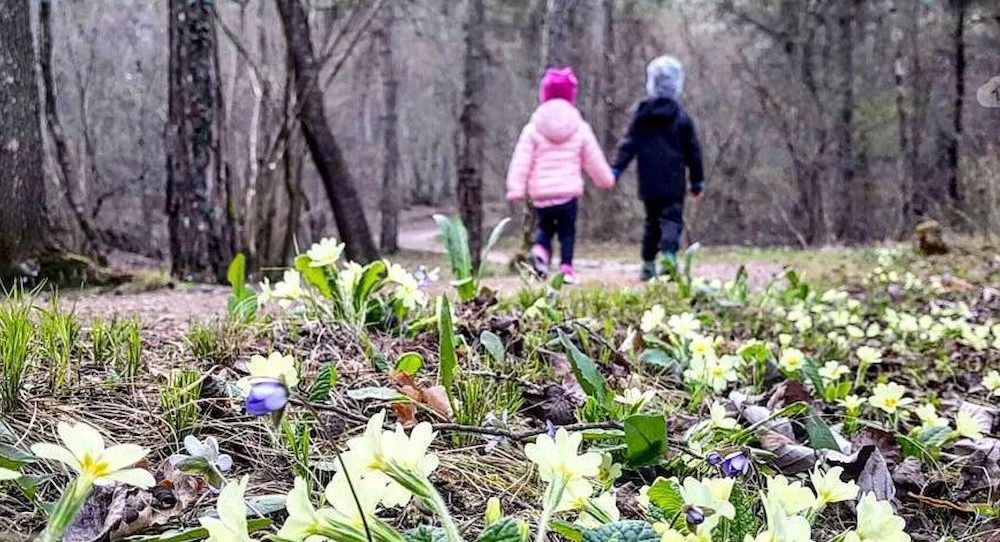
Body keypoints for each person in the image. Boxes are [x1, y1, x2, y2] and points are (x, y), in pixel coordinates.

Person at [505, 67, 616, 283]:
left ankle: (540, 253)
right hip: (567, 194)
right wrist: (605, 179)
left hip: (542, 195)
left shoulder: (533, 128)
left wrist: (516, 188)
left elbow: (521, 159)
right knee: (567, 232)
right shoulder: (578, 126)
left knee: (545, 228)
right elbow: (592, 157)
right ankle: (566, 269)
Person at [611, 56, 705, 281]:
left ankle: (648, 264)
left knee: (651, 222)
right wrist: (697, 181)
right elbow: (694, 151)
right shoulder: (682, 118)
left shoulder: (642, 117)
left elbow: (628, 145)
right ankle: (669, 257)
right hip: (674, 183)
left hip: (649, 182)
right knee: (672, 220)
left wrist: (616, 169)